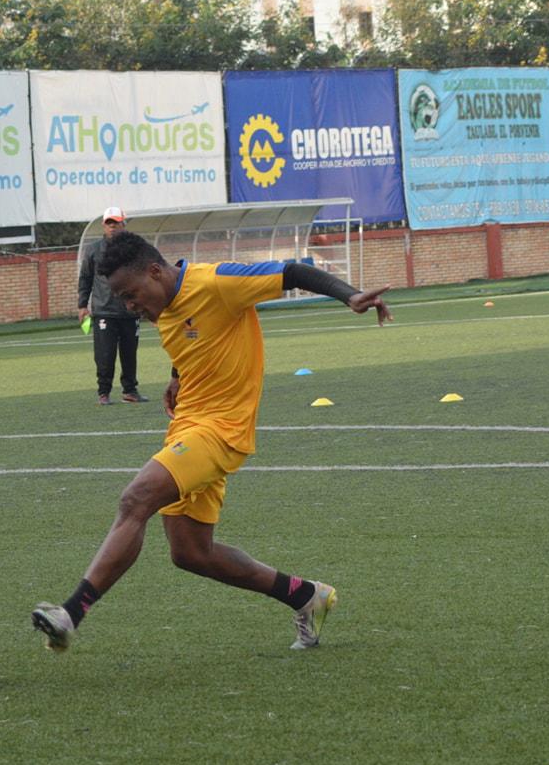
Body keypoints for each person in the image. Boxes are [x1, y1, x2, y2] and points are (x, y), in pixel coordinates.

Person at [32, 231, 392, 652]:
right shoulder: (162, 306)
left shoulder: (218, 282)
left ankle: (71, 613)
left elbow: (292, 272)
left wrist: (349, 296)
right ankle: (306, 596)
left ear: (155, 271)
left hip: (222, 430)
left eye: (131, 294)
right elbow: (194, 335)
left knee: (136, 499)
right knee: (190, 553)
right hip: (188, 426)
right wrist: (177, 376)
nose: (130, 306)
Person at [77, 206, 148, 405]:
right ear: (103, 225)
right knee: (105, 355)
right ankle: (104, 392)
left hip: (130, 310)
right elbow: (85, 278)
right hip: (104, 311)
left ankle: (130, 391)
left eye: (116, 223)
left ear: (123, 224)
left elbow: (142, 277)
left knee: (129, 354)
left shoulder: (133, 249)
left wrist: (144, 304)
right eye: (109, 223)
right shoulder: (93, 250)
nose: (112, 227)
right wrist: (82, 305)